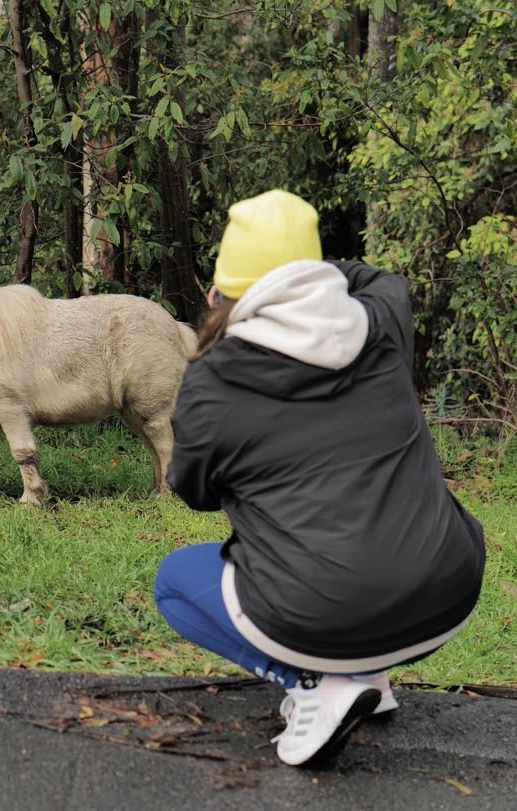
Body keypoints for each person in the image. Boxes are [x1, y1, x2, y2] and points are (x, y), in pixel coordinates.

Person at [152, 189, 485, 766]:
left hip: (323, 607)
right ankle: (367, 678)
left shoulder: (212, 381)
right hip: (446, 593)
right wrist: (311, 271)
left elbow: (192, 491)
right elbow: (376, 276)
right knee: (359, 554)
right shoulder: (381, 319)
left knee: (175, 581)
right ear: (315, 276)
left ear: (220, 292)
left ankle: (316, 686)